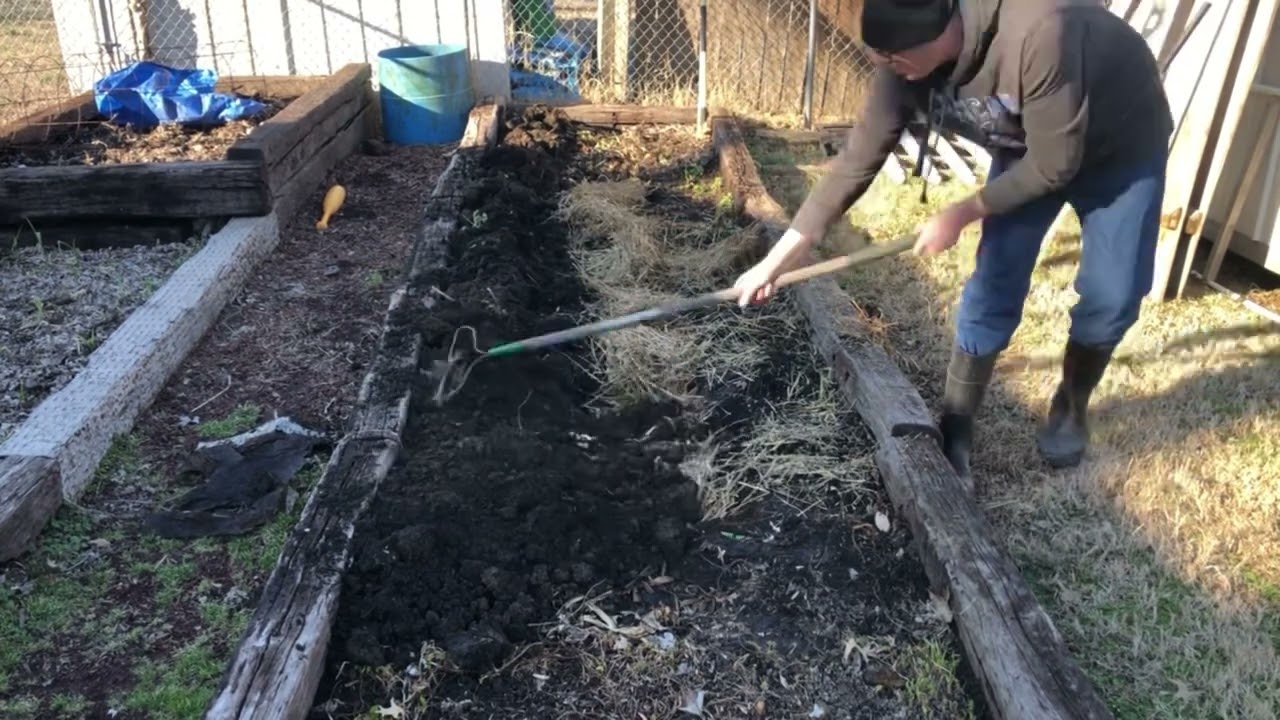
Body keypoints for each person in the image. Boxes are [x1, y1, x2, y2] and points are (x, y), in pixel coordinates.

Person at [733, 0, 1172, 480]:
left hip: (1120, 147)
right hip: (1030, 145)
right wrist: (774, 264)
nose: (887, 69)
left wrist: (961, 212)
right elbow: (853, 165)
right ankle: (957, 425)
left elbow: (1055, 166)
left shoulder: (1041, 31)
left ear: (938, 33)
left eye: (893, 58)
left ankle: (1071, 404)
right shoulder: (900, 61)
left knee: (1114, 293)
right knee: (994, 279)